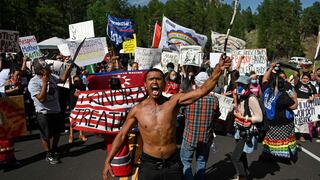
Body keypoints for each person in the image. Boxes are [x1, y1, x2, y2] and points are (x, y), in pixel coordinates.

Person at [102, 55, 232, 180]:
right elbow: (122, 135)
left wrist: (218, 69)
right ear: (145, 85)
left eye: (158, 79)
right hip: (149, 166)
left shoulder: (173, 102)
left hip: (172, 164)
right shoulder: (137, 110)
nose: (154, 81)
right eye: (151, 79)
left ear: (164, 84)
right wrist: (108, 160)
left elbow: (202, 90)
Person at [28, 58, 72, 165]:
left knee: (57, 132)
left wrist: (68, 70)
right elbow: (41, 99)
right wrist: (44, 83)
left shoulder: (52, 77)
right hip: (44, 113)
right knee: (46, 135)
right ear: (41, 71)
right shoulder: (33, 82)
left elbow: (62, 80)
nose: (49, 68)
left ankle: (55, 148)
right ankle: (49, 153)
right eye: (46, 68)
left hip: (56, 110)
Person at [179, 72, 220, 180]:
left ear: (196, 84)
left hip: (189, 136)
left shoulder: (189, 98)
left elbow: (181, 112)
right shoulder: (214, 99)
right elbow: (217, 116)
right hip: (205, 137)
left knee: (185, 162)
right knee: (201, 163)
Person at [260, 63, 298, 163]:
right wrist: (294, 98)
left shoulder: (267, 90)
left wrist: (271, 68)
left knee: (270, 139)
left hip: (270, 122)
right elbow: (294, 106)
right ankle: (284, 157)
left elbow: (264, 79)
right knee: (284, 141)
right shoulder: (282, 97)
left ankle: (267, 155)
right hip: (282, 123)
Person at [231, 75, 263, 180]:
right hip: (239, 129)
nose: (239, 86)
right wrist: (235, 100)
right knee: (242, 155)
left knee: (235, 157)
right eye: (238, 84)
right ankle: (245, 174)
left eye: (242, 85)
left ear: (247, 86)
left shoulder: (251, 98)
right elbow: (239, 110)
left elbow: (259, 118)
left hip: (247, 131)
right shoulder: (242, 96)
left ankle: (242, 176)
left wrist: (244, 118)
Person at [294, 72, 316, 142]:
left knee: (303, 121)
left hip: (306, 105)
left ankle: (301, 136)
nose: (305, 80)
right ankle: (293, 134)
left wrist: (312, 98)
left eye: (307, 78)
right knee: (295, 119)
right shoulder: (298, 84)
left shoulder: (312, 87)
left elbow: (315, 96)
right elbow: (295, 76)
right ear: (301, 78)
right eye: (304, 78)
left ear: (309, 79)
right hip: (297, 103)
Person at [68, 75, 87, 143]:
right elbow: (68, 79)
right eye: (75, 80)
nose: (77, 82)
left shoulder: (83, 86)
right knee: (73, 121)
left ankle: (81, 134)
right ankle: (71, 135)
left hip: (81, 105)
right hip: (73, 106)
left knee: (81, 120)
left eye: (78, 80)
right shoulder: (71, 86)